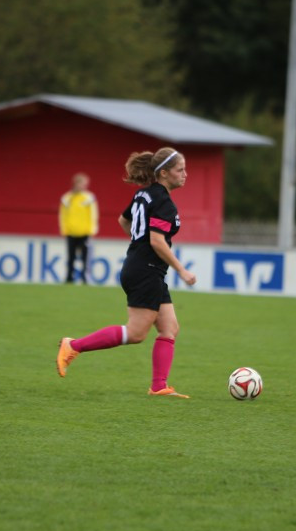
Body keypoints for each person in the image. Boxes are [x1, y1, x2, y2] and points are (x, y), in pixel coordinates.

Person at [56, 147, 197, 397]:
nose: (185, 174)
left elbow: (123, 221)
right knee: (135, 333)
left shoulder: (144, 194)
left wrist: (137, 246)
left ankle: (159, 386)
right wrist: (182, 270)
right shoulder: (164, 202)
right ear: (164, 173)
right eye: (180, 170)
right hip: (147, 270)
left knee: (169, 328)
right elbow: (156, 241)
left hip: (141, 267)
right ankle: (73, 345)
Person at [59, 172, 99, 284]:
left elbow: (93, 215)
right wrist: (64, 229)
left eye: (84, 184)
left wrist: (91, 230)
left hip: (84, 232)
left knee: (85, 258)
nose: (83, 186)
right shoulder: (66, 198)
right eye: (81, 183)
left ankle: (85, 277)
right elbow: (63, 215)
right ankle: (69, 277)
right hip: (71, 232)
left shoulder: (89, 198)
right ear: (75, 183)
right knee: (70, 257)